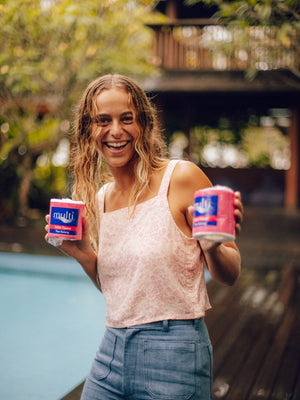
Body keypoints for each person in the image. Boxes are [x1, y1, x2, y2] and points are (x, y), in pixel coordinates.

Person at [45, 74, 243, 400]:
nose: (116, 131)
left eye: (127, 118)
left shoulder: (181, 177)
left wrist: (213, 249)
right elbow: (121, 291)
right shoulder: (102, 198)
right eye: (102, 121)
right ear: (88, 131)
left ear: (144, 124)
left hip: (175, 353)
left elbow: (232, 274)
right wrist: (84, 255)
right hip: (112, 349)